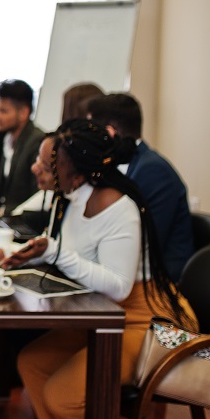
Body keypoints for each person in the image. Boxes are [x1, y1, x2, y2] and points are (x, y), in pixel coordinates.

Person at [0, 119, 195, 419]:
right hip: (106, 312)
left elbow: (119, 285)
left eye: (48, 163)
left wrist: (56, 252)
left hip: (144, 319)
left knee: (62, 397)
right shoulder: (72, 198)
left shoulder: (117, 207)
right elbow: (71, 253)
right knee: (32, 363)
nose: (36, 167)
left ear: (76, 174)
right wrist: (18, 254)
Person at [87, 93, 195, 283]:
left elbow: (144, 241)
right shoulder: (122, 164)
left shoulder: (153, 170)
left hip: (160, 281)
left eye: (91, 131)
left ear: (111, 132)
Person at [0, 79, 46, 215]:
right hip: (3, 217)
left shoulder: (37, 142)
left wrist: (4, 212)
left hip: (20, 223)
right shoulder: (8, 139)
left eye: (3, 111)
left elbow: (37, 196)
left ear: (23, 113)